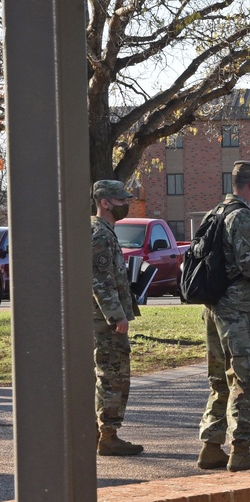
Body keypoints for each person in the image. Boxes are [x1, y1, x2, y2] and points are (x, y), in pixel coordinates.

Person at [197, 161, 250, 472]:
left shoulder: (215, 212)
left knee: (219, 379)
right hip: (239, 310)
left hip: (214, 306)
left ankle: (211, 446)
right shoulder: (242, 216)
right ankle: (241, 448)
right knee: (248, 378)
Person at [91, 179, 143, 456]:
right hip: (105, 321)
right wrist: (116, 316)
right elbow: (101, 280)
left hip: (107, 318)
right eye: (121, 201)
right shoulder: (99, 234)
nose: (126, 205)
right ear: (105, 202)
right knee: (113, 374)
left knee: (110, 373)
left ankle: (99, 431)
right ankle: (108, 435)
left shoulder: (105, 232)